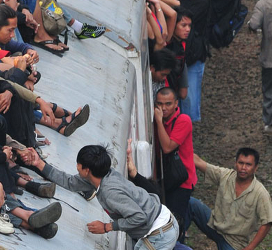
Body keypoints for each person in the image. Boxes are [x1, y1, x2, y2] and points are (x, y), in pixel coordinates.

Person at [30, 144, 179, 250]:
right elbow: (69, 182)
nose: (76, 167)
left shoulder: (110, 192)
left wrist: (107, 227)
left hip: (159, 233)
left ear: (87, 170)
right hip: (161, 224)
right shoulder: (102, 175)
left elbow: (139, 217)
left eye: (78, 164)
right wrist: (39, 164)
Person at [189, 148, 272, 250]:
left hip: (234, 242)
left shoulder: (260, 192)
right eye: (240, 163)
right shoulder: (226, 175)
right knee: (191, 203)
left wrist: (249, 248)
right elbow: (199, 162)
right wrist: (177, 143)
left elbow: (267, 222)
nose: (243, 167)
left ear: (255, 168)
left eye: (248, 164)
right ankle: (175, 241)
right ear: (235, 163)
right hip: (213, 225)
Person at [154, 87, 196, 242]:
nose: (164, 108)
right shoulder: (162, 119)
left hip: (181, 181)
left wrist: (158, 121)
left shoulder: (183, 120)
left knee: (175, 226)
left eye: (168, 104)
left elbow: (167, 147)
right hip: (167, 179)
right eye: (160, 104)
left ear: (176, 103)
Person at [248, 0, 272, 133]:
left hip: (269, 58)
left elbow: (254, 24)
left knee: (268, 90)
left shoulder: (262, 4)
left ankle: (269, 123)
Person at [165, 7, 193, 100]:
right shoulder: (167, 42)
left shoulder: (182, 44)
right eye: (183, 25)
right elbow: (172, 14)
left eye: (189, 26)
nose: (188, 29)